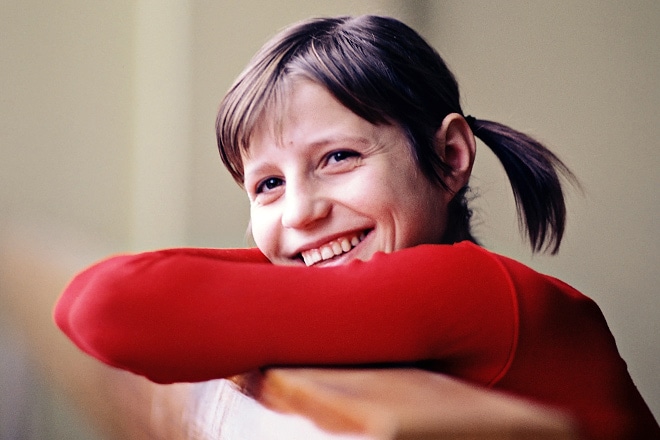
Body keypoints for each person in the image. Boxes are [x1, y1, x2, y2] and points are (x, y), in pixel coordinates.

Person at [54, 15, 659, 439]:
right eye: (268, 185)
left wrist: (278, 268)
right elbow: (78, 304)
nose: (301, 212)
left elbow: (106, 307)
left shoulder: (467, 289)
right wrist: (286, 264)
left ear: (450, 156)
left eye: (338, 158)